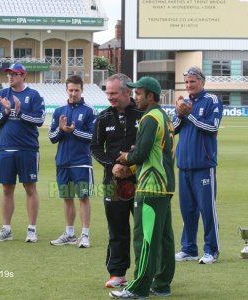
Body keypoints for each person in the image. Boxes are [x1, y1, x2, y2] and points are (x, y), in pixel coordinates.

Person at [110, 77, 176, 299]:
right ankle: (162, 284)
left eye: (138, 93)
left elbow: (141, 154)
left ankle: (138, 288)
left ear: (150, 96)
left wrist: (125, 157)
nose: (135, 97)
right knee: (164, 239)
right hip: (165, 186)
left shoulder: (149, 118)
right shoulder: (164, 117)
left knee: (145, 239)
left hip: (151, 186)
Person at [91, 74, 143, 288]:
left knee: (143, 229)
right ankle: (117, 273)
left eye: (113, 93)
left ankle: (146, 273)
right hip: (113, 182)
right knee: (117, 228)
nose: (109, 97)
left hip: (141, 181)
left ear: (126, 92)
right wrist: (113, 163)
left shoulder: (143, 114)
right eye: (108, 93)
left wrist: (130, 164)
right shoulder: (103, 117)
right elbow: (95, 147)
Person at [173, 67, 223, 264]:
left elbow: (213, 127)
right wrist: (180, 114)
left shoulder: (212, 100)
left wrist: (190, 115)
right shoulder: (184, 103)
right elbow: (173, 129)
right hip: (184, 165)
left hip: (203, 164)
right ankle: (189, 248)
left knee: (206, 209)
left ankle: (211, 250)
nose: (188, 85)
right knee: (187, 210)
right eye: (186, 82)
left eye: (192, 81)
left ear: (202, 82)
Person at [0, 63, 45, 243]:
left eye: (15, 74)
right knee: (7, 188)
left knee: (30, 187)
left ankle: (32, 229)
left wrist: (20, 113)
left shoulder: (34, 95)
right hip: (5, 149)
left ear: (23, 75)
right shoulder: (0, 95)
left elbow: (39, 119)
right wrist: (7, 111)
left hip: (27, 149)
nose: (10, 77)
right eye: (9, 74)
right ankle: (6, 229)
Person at [49, 75, 96, 248]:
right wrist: (62, 130)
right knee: (67, 198)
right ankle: (69, 234)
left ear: (82, 90)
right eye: (71, 90)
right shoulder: (59, 110)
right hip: (62, 162)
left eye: (76, 90)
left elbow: (93, 137)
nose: (73, 93)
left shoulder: (90, 110)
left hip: (81, 162)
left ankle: (85, 235)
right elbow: (52, 137)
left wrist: (72, 131)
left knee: (83, 197)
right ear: (66, 90)